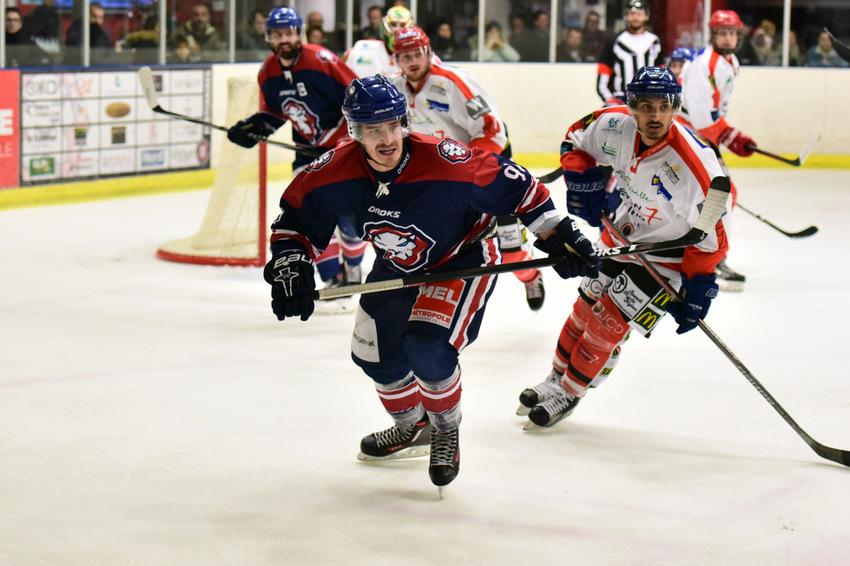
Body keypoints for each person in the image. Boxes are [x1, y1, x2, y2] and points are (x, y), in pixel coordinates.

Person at [263, 74, 598, 487]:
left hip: (461, 259)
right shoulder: (335, 170)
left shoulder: (445, 161)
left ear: (404, 121)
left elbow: (519, 187)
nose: (386, 138)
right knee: (372, 356)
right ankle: (413, 426)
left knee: (428, 346)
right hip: (397, 266)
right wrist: (291, 263)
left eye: (392, 125)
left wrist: (558, 233)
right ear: (354, 131)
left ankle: (444, 428)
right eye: (373, 129)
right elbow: (295, 219)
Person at [517, 67, 729, 427]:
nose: (655, 116)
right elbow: (574, 139)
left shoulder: (695, 167)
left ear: (675, 107)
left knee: (607, 324)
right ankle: (554, 379)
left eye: (664, 107)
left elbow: (713, 233)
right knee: (583, 310)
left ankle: (570, 391)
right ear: (631, 106)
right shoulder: (614, 124)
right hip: (621, 234)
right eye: (646, 107)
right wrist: (581, 179)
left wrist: (699, 283)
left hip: (667, 256)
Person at [391, 26, 546, 310]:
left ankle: (531, 276)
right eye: (405, 56)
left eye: (417, 54)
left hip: (485, 173)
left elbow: (493, 132)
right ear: (396, 60)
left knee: (511, 253)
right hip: (441, 184)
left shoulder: (454, 82)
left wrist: (463, 172)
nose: (412, 61)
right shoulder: (394, 90)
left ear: (428, 52)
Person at [227, 7, 364, 304]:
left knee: (349, 218)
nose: (284, 39)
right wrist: (256, 127)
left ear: (299, 33)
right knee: (310, 215)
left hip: (343, 150)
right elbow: (276, 111)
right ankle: (333, 277)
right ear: (268, 37)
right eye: (277, 34)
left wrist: (340, 139)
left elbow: (358, 96)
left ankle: (354, 271)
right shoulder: (267, 72)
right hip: (306, 155)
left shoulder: (322, 60)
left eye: (289, 33)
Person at [680, 10, 754, 291]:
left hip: (702, 133)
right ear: (713, 35)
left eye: (731, 33)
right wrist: (731, 136)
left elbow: (713, 113)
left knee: (719, 195)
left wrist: (727, 134)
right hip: (689, 132)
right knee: (722, 195)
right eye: (722, 33)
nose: (727, 38)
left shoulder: (730, 62)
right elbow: (702, 117)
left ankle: (704, 252)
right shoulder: (705, 64)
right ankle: (711, 260)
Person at [596, 0, 662, 105]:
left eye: (639, 14)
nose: (635, 17)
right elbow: (603, 73)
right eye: (632, 13)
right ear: (626, 16)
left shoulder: (654, 41)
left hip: (649, 101)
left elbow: (662, 74)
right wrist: (610, 100)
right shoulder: (614, 41)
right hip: (621, 101)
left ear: (646, 16)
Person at [344, 5, 413, 78]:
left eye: (402, 25)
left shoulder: (417, 54)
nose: (397, 29)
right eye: (393, 24)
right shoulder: (363, 48)